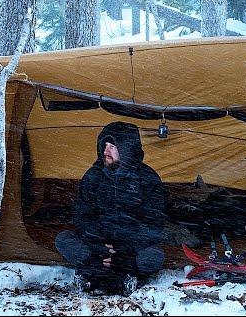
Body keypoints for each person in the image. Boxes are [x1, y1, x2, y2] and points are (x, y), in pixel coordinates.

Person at [55, 121, 167, 296]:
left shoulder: (148, 179)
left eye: (112, 146)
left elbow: (154, 224)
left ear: (126, 149)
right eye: (104, 146)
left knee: (155, 256)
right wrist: (98, 245)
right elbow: (83, 216)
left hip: (130, 249)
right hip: (97, 246)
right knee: (64, 240)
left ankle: (104, 273)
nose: (106, 152)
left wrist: (125, 251)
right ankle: (103, 271)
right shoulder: (93, 176)